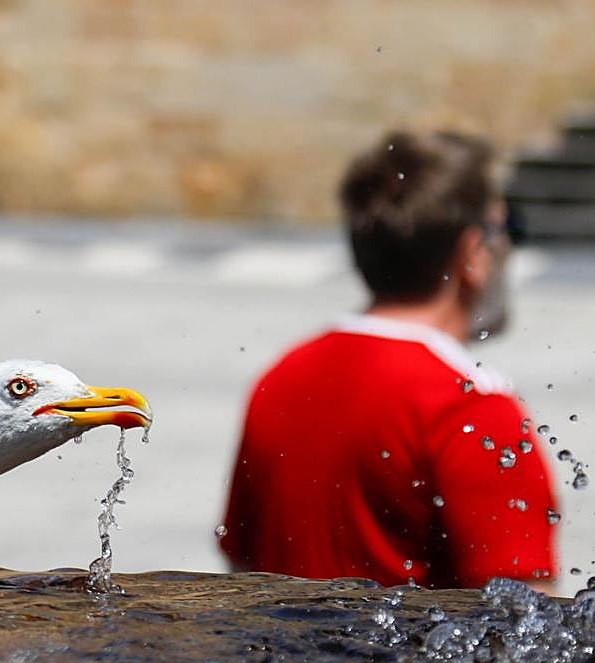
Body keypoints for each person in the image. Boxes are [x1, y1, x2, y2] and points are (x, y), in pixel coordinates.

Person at [218, 130, 557, 589]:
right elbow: (522, 617)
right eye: (509, 229)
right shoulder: (471, 406)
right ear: (473, 254)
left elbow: (242, 567)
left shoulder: (281, 376)